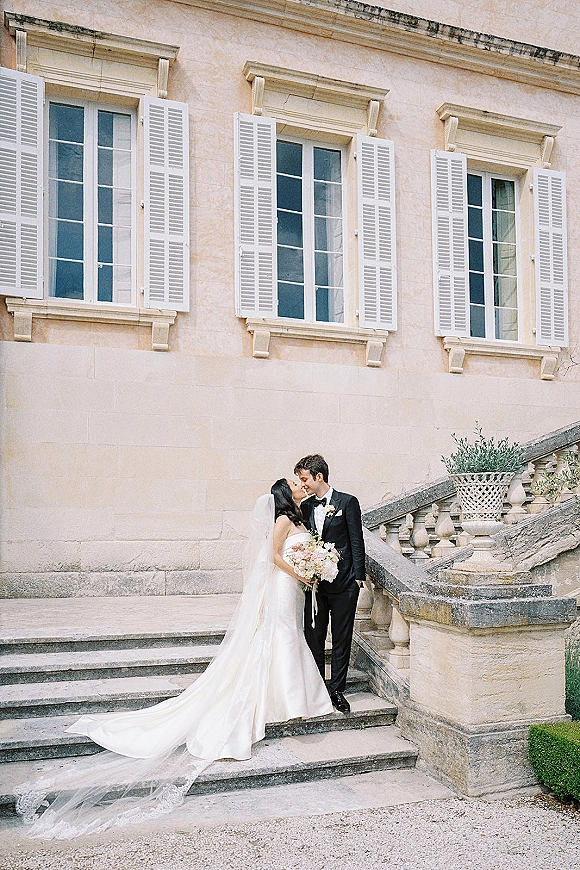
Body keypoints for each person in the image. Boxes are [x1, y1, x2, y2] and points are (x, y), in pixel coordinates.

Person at [15, 481, 332, 839]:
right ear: (285, 495)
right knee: (281, 637)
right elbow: (273, 557)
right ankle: (289, 700)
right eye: (294, 483)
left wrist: (311, 569)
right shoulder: (282, 521)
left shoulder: (300, 517)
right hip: (283, 586)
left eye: (301, 480)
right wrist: (301, 573)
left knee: (288, 637)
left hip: (294, 590)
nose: (300, 484)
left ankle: (295, 699)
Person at [294, 454, 365, 715]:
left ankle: (336, 690)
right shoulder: (306, 507)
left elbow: (356, 539)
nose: (303, 484)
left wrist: (359, 577)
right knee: (314, 636)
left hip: (345, 583)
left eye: (304, 479)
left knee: (341, 638)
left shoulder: (348, 502)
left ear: (319, 476)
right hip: (315, 585)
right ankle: (317, 689)